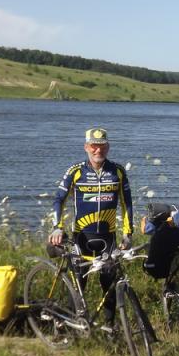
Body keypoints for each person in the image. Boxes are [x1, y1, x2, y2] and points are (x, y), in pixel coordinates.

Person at [49, 127, 133, 329]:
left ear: (108, 147)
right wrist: (57, 227)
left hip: (108, 238)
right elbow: (59, 200)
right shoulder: (76, 171)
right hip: (82, 238)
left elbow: (127, 204)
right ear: (86, 147)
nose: (98, 150)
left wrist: (128, 234)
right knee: (78, 285)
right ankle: (70, 328)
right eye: (94, 146)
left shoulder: (118, 171)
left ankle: (109, 328)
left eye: (102, 146)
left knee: (109, 284)